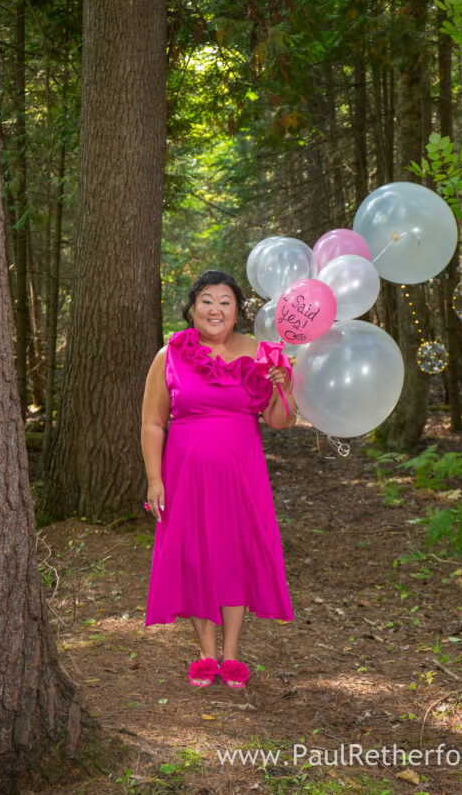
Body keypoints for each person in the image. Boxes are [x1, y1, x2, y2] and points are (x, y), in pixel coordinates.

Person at [142, 269, 296, 689]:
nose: (215, 309)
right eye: (207, 300)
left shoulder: (261, 353)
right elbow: (153, 423)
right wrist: (155, 480)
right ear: (192, 308)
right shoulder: (169, 354)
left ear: (237, 311)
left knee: (234, 555)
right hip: (185, 475)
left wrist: (285, 386)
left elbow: (280, 421)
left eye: (225, 301)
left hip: (242, 474)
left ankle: (231, 657)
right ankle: (205, 655)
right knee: (195, 557)